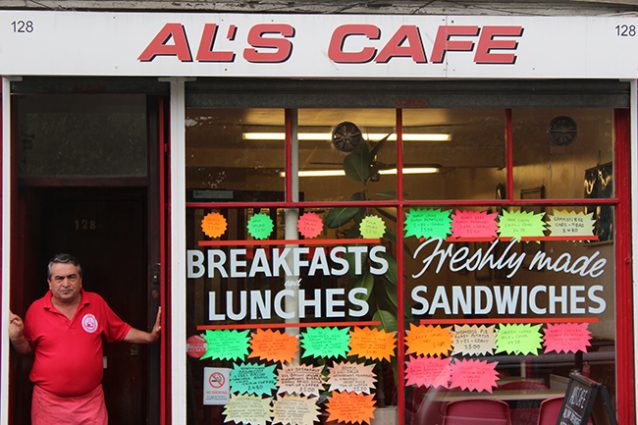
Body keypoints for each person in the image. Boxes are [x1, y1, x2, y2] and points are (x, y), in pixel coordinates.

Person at [8, 253, 161, 425]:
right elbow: (27, 350)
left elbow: (121, 330)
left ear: (80, 280)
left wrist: (150, 337)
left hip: (90, 403)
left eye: (71, 277)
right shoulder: (36, 310)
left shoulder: (95, 303)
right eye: (59, 278)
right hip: (49, 404)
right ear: (49, 283)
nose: (66, 283)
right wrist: (17, 337)